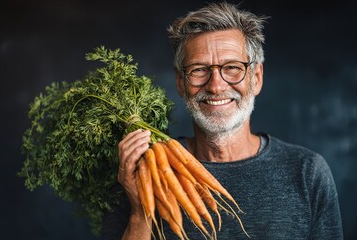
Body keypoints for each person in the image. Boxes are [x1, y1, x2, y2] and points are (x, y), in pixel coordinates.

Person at [103, 2, 343, 239]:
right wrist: (140, 211)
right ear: (180, 82)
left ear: (256, 77)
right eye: (199, 69)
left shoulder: (307, 172)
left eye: (232, 67)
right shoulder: (137, 173)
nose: (216, 86)